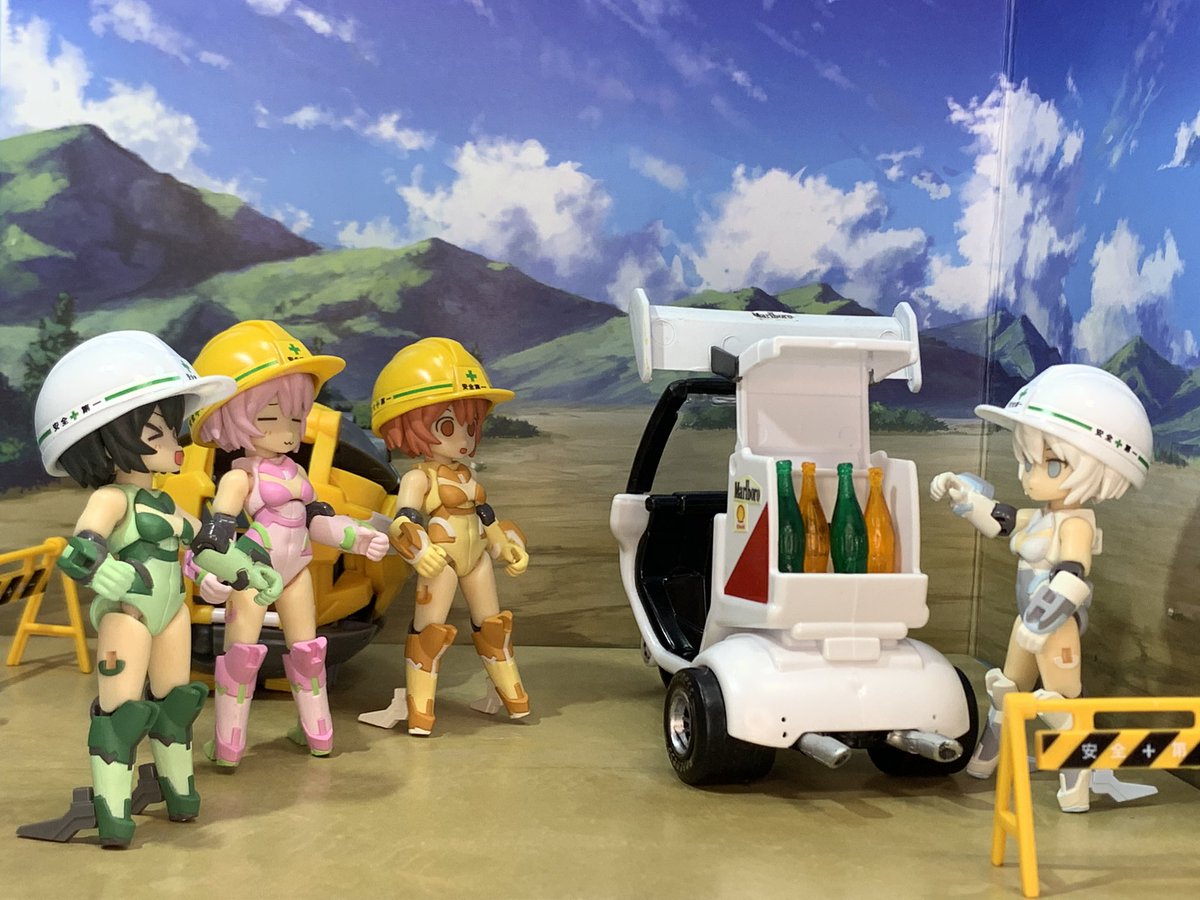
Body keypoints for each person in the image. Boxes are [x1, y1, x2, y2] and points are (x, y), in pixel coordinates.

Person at [23, 331, 280, 847]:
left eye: (172, 429)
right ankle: (113, 814)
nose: (175, 444)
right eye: (155, 432)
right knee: (121, 717)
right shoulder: (112, 500)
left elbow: (204, 542)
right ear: (109, 439)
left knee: (176, 705)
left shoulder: (163, 503)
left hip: (171, 614)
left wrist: (248, 570)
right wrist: (100, 571)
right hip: (130, 616)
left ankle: (179, 794)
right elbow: (80, 550)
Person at [930, 364, 1152, 812]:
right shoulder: (1044, 516)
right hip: (1029, 622)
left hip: (1054, 626)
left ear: (1095, 468)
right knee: (1007, 690)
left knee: (1062, 705)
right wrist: (962, 495)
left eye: (1049, 463)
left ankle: (1076, 787)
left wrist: (1042, 619)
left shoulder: (1075, 524)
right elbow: (1002, 518)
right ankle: (987, 761)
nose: (1030, 474)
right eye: (1028, 461)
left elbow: (1073, 574)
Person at [190, 321, 388, 766]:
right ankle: (228, 744)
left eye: (295, 417)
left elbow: (317, 521)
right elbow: (216, 534)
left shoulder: (296, 473)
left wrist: (357, 538)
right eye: (268, 417)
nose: (286, 430)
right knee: (241, 657)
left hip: (296, 569)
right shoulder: (240, 477)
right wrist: (211, 574)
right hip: (254, 572)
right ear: (229, 419)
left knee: (309, 652)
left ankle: (318, 734)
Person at [370, 337, 530, 735]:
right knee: (429, 635)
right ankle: (420, 713)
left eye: (471, 426)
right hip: (440, 561)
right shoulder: (418, 477)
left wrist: (508, 544)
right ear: (408, 425)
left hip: (477, 557)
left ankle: (515, 699)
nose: (464, 437)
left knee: (494, 627)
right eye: (447, 425)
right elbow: (402, 520)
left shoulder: (465, 474)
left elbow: (486, 515)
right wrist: (418, 551)